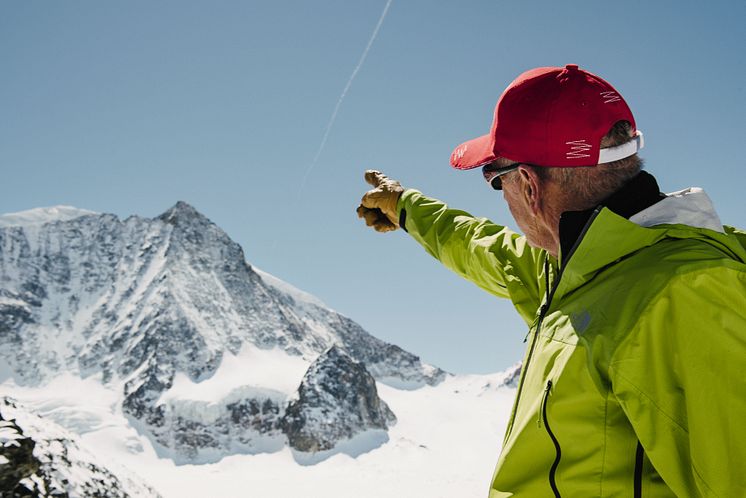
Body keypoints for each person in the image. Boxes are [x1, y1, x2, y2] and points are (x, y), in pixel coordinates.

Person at [356, 64, 746, 497]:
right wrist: (405, 207)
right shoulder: (574, 266)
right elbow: (481, 246)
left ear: (527, 184)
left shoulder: (683, 290)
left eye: (494, 180)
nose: (501, 197)